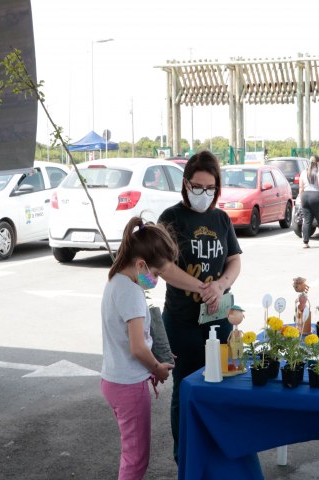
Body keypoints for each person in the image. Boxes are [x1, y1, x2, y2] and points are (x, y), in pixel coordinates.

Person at [157, 150, 243, 463]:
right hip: (181, 324)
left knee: (219, 387)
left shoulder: (221, 219)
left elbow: (234, 260)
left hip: (218, 321)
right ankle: (186, 456)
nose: (203, 194)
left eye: (209, 188)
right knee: (185, 390)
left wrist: (220, 286)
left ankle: (215, 452)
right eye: (197, 186)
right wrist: (202, 288)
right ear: (185, 184)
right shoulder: (170, 218)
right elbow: (162, 265)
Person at [100, 216, 177, 480]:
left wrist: (155, 356)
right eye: (156, 274)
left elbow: (130, 341)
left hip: (115, 380)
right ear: (141, 264)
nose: (156, 279)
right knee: (136, 459)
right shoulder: (132, 292)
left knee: (131, 453)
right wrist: (157, 368)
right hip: (128, 386)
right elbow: (136, 348)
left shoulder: (116, 282)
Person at [299, 155, 319, 248]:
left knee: (306, 220)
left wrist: (300, 198)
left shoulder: (303, 172)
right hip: (315, 196)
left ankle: (305, 242)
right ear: (318, 163)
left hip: (305, 196)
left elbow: (301, 188)